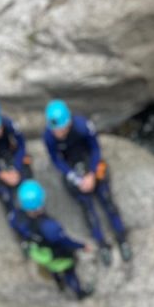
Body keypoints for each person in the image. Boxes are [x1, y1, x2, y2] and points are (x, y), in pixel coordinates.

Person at [43, 99, 132, 266]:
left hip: (89, 162)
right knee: (88, 210)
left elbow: (95, 149)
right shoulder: (49, 136)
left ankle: (122, 239)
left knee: (108, 202)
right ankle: (102, 244)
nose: (58, 133)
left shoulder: (82, 126)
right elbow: (56, 160)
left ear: (68, 123)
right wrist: (76, 178)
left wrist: (91, 173)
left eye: (61, 129)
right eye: (55, 130)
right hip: (72, 168)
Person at [9, 179, 93, 300]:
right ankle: (79, 293)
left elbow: (16, 228)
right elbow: (65, 241)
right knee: (69, 272)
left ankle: (59, 284)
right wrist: (82, 246)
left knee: (52, 268)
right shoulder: (49, 227)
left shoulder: (15, 217)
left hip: (38, 252)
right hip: (56, 254)